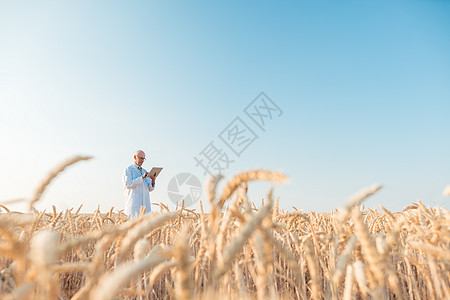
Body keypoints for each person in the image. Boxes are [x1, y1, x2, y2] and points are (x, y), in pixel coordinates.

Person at [122, 150, 156, 218]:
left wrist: (153, 180)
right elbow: (128, 184)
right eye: (140, 158)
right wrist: (142, 177)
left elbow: (150, 188)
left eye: (143, 159)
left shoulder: (145, 171)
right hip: (133, 205)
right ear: (135, 157)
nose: (142, 160)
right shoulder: (128, 170)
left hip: (145, 207)